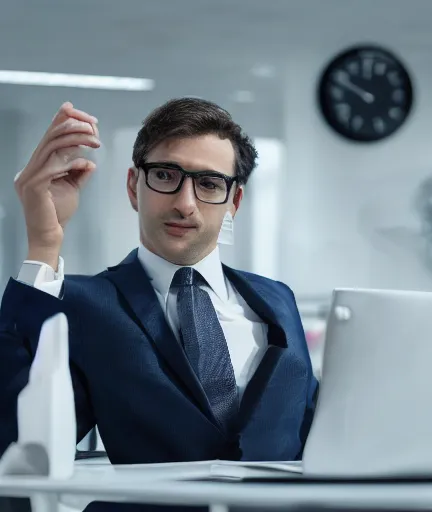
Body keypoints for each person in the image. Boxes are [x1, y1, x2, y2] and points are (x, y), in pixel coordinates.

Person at [0, 99, 318, 468]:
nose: (185, 204)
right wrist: (43, 243)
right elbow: (15, 442)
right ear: (135, 186)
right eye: (166, 175)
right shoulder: (86, 304)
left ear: (234, 201)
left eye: (210, 183)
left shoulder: (278, 299)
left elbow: (313, 431)